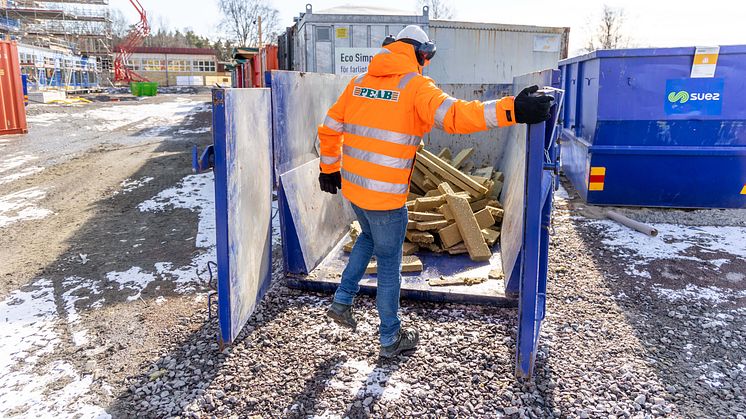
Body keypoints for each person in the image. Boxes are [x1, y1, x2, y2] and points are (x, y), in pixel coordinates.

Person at [317, 25, 553, 358]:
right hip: (386, 199)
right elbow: (456, 116)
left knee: (368, 239)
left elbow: (329, 128)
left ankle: (341, 303)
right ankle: (390, 338)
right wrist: (512, 110)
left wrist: (328, 169)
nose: (425, 64)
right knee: (388, 265)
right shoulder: (414, 87)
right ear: (418, 53)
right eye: (425, 58)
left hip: (355, 189)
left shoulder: (357, 84)